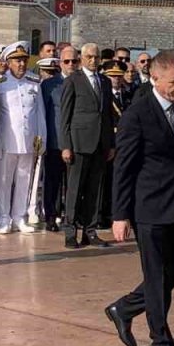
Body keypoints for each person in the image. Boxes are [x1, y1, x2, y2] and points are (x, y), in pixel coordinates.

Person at [104, 50, 174, 346]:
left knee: (173, 276)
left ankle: (124, 308)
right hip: (149, 208)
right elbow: (124, 167)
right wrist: (120, 215)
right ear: (155, 78)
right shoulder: (138, 113)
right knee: (158, 279)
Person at [58, 42, 115, 248]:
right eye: (89, 57)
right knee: (74, 189)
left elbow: (108, 115)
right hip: (79, 142)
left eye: (96, 57)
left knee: (94, 190)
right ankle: (70, 231)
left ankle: (90, 231)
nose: (93, 61)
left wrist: (111, 144)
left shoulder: (105, 82)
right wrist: (66, 145)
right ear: (82, 58)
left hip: (100, 142)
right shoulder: (73, 80)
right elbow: (65, 115)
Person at [0, 44, 46, 234]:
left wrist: (42, 137)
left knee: (25, 179)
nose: (21, 64)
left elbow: (39, 112)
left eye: (24, 60)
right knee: (4, 181)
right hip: (7, 139)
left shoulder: (34, 82)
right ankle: (3, 217)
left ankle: (19, 217)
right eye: (17, 60)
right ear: (8, 62)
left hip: (29, 139)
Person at [39, 45, 75, 231]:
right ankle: (51, 216)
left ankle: (71, 216)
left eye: (74, 61)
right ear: (60, 63)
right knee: (52, 182)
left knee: (72, 184)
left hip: (77, 142)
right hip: (55, 141)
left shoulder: (82, 82)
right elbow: (42, 113)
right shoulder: (49, 85)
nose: (70, 65)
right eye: (66, 61)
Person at [97, 56, 132, 229]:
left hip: (125, 143)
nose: (116, 79)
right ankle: (103, 214)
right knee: (106, 181)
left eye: (119, 76)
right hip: (110, 142)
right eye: (112, 76)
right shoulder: (103, 95)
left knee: (122, 179)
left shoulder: (129, 94)